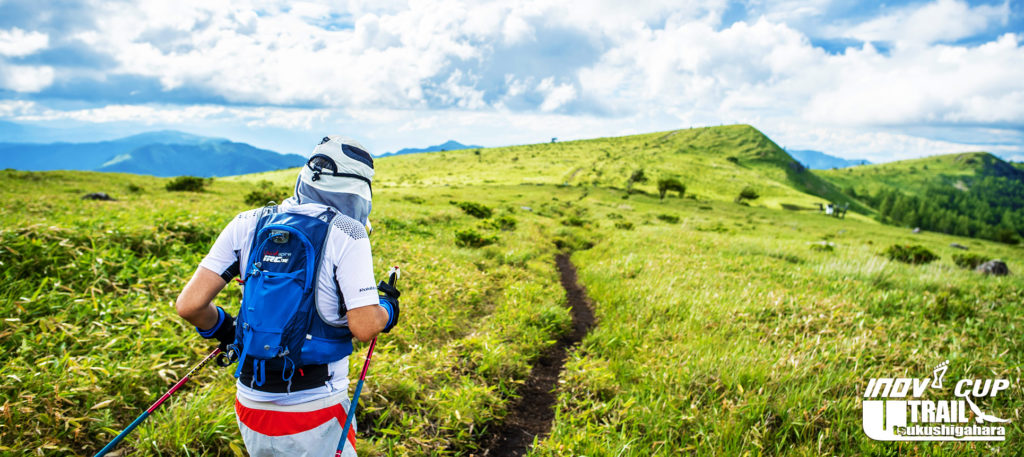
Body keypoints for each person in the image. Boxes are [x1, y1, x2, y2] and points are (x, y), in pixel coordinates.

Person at [175, 135, 399, 456]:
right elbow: (365, 326)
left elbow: (190, 305)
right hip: (316, 402)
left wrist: (226, 332)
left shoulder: (247, 221)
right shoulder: (349, 231)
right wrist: (388, 307)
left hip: (250, 404)